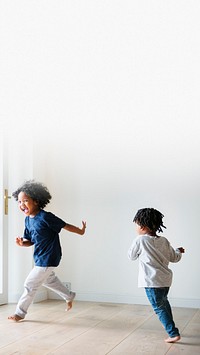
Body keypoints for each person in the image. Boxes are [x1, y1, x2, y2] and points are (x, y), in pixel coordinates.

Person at [8, 180, 86, 322]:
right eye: (19, 202)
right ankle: (69, 295)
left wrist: (80, 231)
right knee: (49, 280)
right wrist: (22, 243)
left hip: (49, 256)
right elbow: (30, 240)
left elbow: (65, 225)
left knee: (30, 284)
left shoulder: (45, 217)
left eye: (25, 201)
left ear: (36, 201)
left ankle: (19, 313)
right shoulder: (28, 220)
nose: (22, 205)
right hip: (40, 257)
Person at [128, 207, 185, 343]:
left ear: (143, 226)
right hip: (165, 281)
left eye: (137, 224)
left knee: (159, 308)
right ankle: (173, 330)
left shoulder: (140, 240)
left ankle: (173, 333)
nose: (136, 227)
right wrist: (179, 251)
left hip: (151, 281)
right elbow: (174, 258)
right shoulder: (164, 241)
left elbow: (131, 256)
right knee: (164, 304)